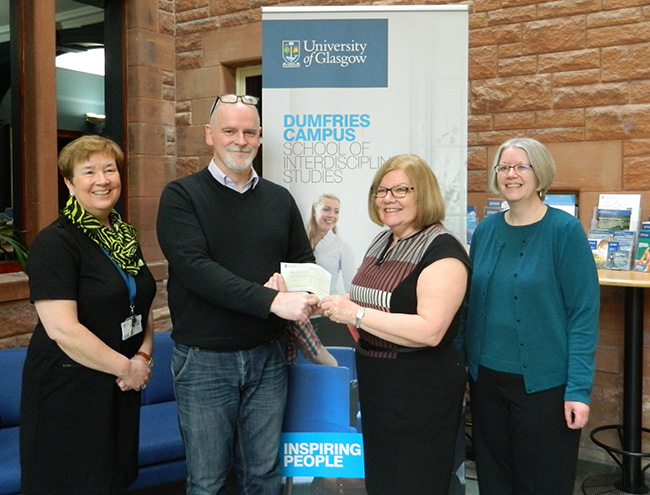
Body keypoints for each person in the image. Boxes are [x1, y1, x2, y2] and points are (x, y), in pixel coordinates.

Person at [156, 93, 321, 495]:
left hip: (268, 358)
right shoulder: (181, 197)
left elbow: (304, 263)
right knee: (208, 481)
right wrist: (269, 300)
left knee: (263, 475)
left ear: (260, 137)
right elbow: (197, 271)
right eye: (230, 130)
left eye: (249, 131)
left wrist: (295, 288)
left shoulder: (279, 199)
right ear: (210, 135)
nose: (240, 140)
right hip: (204, 362)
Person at [319, 154, 470, 494]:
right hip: (378, 386)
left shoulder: (442, 250)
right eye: (381, 190)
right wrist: (325, 301)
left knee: (416, 482)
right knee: (384, 481)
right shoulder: (383, 239)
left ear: (424, 194)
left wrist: (355, 314)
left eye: (400, 189)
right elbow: (365, 303)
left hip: (420, 391)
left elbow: (431, 330)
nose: (388, 198)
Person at [458, 137, 600, 495]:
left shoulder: (564, 231)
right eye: (504, 167)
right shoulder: (487, 231)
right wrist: (461, 367)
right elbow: (470, 306)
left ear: (540, 174)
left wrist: (578, 391)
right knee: (494, 479)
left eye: (521, 166)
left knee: (542, 483)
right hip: (487, 381)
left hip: (544, 389)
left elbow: (582, 314)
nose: (511, 175)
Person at [21, 135, 156, 495]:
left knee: (114, 479)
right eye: (89, 171)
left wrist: (142, 356)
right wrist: (127, 368)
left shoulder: (124, 236)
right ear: (69, 183)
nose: (103, 179)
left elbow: (141, 303)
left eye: (110, 169)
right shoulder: (55, 242)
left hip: (119, 386)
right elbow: (63, 330)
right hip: (71, 391)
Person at [307, 193, 357, 346]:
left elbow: (352, 289)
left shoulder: (342, 247)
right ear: (314, 211)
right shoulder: (299, 240)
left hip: (328, 318)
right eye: (327, 209)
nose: (332, 215)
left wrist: (332, 306)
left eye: (336, 211)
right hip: (299, 317)